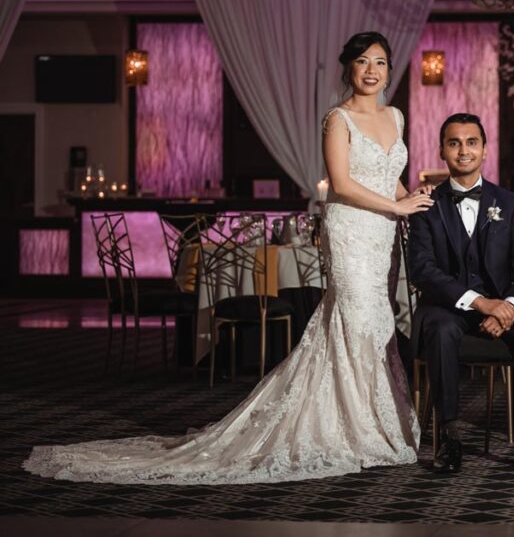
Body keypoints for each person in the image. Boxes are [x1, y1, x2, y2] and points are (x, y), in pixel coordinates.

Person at [23, 31, 433, 485]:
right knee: (353, 318)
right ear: (348, 68)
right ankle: (352, 429)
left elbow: (388, 177)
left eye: (380, 62)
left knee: (376, 322)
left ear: (389, 69)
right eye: (362, 61)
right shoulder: (338, 118)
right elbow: (339, 182)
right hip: (351, 229)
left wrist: (412, 198)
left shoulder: (394, 116)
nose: (372, 70)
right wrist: (396, 206)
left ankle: (375, 423)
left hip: (382, 235)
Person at [407, 113, 514, 473]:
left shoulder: (508, 202)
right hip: (445, 309)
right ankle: (449, 437)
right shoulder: (425, 206)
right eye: (454, 142)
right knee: (441, 331)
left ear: (485, 150)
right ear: (441, 150)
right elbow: (423, 271)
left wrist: (505, 308)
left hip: (500, 307)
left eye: (471, 142)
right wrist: (480, 302)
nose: (463, 151)